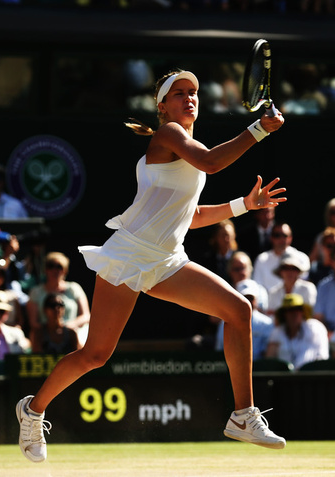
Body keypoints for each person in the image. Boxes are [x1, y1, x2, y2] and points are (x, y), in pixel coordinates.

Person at [15, 70, 287, 463]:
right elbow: (211, 163)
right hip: (130, 253)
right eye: (179, 94)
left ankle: (243, 416)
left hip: (167, 259)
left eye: (193, 92)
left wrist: (245, 205)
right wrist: (259, 129)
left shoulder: (188, 149)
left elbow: (188, 217)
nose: (189, 98)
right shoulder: (169, 136)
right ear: (162, 107)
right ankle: (32, 410)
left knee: (239, 310)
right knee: (95, 355)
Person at [26, 252, 91, 347]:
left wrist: (67, 328)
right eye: (50, 266)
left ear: (65, 270)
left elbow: (86, 316)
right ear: (45, 270)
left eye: (59, 267)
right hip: (45, 336)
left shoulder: (74, 288)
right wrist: (52, 331)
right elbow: (34, 323)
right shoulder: (36, 292)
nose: (55, 270)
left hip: (75, 331)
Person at [265, 293, 329, 369]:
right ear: (284, 314)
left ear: (303, 312)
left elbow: (322, 356)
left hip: (311, 377)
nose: (294, 313)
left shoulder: (315, 327)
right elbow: (270, 359)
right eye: (290, 310)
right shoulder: (277, 332)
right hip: (283, 379)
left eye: (298, 309)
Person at [216, 282, 274, 361]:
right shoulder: (225, 322)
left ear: (256, 299)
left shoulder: (267, 323)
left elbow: (268, 353)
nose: (247, 302)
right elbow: (219, 349)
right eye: (244, 298)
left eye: (251, 298)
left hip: (259, 368)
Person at [252, 222, 309, 293]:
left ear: (290, 238)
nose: (281, 239)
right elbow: (258, 287)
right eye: (277, 235)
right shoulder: (261, 259)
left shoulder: (302, 258)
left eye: (284, 235)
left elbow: (304, 284)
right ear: (271, 238)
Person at [266, 252, 317, 318]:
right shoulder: (273, 293)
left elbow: (310, 314)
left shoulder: (308, 288)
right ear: (280, 272)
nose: (289, 272)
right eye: (286, 268)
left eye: (293, 268)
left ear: (298, 271)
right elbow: (271, 316)